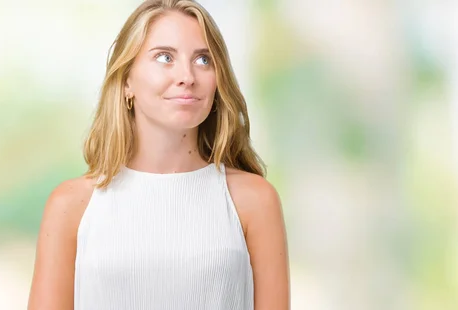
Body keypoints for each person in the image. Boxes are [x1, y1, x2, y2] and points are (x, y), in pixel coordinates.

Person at [27, 0, 290, 309]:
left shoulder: (254, 201)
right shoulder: (72, 206)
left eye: (203, 59)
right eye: (165, 57)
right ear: (127, 80)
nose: (187, 76)